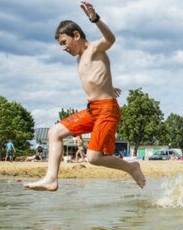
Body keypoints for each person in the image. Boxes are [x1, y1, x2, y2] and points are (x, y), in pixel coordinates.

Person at [24, 2, 145, 191]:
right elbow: (96, 77)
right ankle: (51, 179)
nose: (63, 48)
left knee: (93, 158)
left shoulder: (94, 49)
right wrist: (108, 86)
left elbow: (110, 39)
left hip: (107, 110)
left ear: (77, 35)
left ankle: (131, 167)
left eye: (64, 42)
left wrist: (94, 18)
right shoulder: (80, 57)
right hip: (92, 110)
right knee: (54, 132)